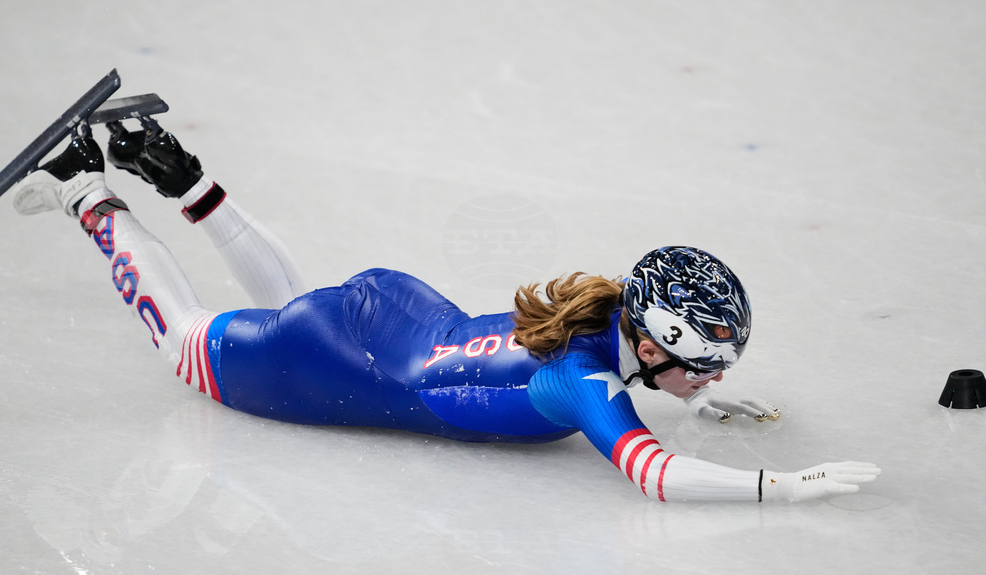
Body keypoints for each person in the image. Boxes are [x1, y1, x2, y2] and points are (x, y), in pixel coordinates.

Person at [10, 118, 880, 504]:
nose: (712, 375)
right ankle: (82, 184)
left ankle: (180, 172)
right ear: (651, 344)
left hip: (392, 311)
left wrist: (687, 390)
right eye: (703, 360)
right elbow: (656, 477)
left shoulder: (606, 313)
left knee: (297, 302)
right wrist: (776, 488)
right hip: (346, 363)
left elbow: (632, 381)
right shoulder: (586, 379)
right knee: (187, 346)